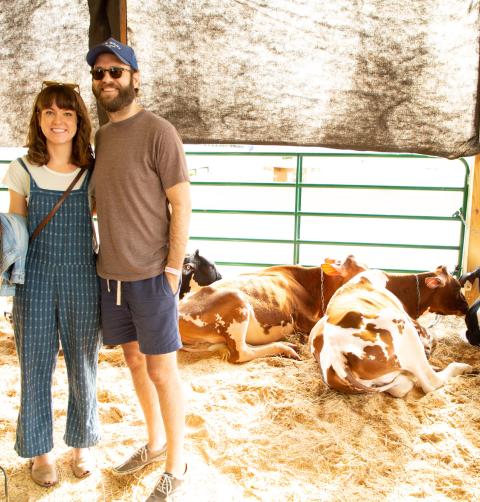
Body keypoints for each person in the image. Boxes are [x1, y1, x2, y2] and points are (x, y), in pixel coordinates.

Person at [86, 38, 191, 501]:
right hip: (111, 277)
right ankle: (154, 444)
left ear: (134, 77)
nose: (106, 79)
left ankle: (177, 464)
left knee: (163, 371)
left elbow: (181, 203)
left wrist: (172, 270)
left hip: (152, 277)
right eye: (98, 73)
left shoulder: (159, 131)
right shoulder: (100, 136)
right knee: (132, 362)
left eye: (115, 71)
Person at [2, 82, 101, 486]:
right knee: (36, 367)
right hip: (34, 280)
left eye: (67, 113)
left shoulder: (93, 170)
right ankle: (40, 452)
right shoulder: (22, 169)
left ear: (79, 121)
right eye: (49, 113)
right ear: (38, 120)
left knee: (84, 365)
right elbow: (13, 231)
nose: (58, 121)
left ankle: (83, 446)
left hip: (83, 276)